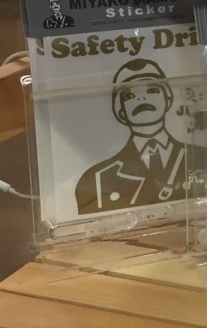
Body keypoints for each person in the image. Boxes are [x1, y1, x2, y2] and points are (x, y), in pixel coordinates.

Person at [74, 59, 196, 214]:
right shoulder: (95, 178)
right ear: (120, 111)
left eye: (152, 90)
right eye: (129, 95)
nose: (141, 98)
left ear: (168, 98)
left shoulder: (204, 157)